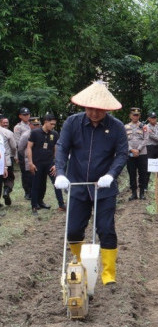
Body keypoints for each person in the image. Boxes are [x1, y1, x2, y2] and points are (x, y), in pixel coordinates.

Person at [54, 82, 128, 287]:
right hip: (78, 184)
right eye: (90, 109)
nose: (94, 113)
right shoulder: (72, 123)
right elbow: (61, 147)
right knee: (74, 230)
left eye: (99, 110)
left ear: (107, 109)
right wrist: (60, 173)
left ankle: (108, 273)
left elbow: (122, 154)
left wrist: (111, 175)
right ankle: (79, 262)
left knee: (105, 229)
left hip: (104, 186)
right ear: (84, 107)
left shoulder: (117, 127)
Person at [26, 113, 65, 214]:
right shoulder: (35, 133)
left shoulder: (54, 134)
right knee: (37, 184)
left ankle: (61, 204)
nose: (53, 126)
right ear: (46, 122)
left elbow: (56, 149)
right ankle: (34, 206)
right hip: (37, 163)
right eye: (51, 124)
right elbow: (29, 147)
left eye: (54, 124)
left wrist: (55, 164)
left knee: (57, 183)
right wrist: (30, 163)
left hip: (50, 163)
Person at [124, 107, 149, 200]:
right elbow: (124, 140)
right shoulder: (125, 127)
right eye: (134, 115)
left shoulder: (144, 126)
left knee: (143, 173)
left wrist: (138, 149)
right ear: (130, 115)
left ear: (139, 116)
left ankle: (142, 193)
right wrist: (131, 149)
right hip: (130, 154)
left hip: (141, 153)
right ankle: (134, 193)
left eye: (137, 115)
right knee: (132, 173)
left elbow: (146, 139)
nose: (135, 116)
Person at [14, 107, 32, 200]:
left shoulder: (32, 125)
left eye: (28, 114)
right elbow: (17, 143)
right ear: (20, 116)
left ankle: (33, 190)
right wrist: (17, 156)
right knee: (25, 173)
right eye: (24, 115)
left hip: (32, 152)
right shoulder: (18, 127)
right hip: (22, 153)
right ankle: (27, 192)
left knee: (33, 172)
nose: (27, 116)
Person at [0, 117, 17, 206]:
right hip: (7, 159)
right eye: (4, 122)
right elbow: (14, 147)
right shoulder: (8, 132)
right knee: (9, 178)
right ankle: (6, 191)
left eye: (7, 122)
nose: (6, 124)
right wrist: (14, 155)